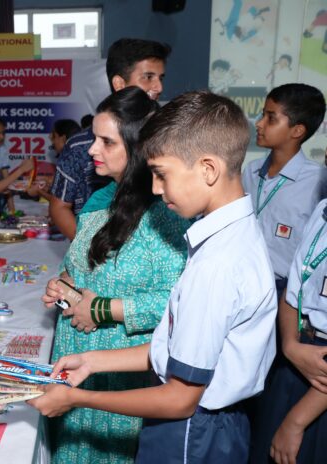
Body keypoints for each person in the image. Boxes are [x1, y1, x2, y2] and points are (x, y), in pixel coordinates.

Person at [29, 91, 278, 463]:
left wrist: (78, 397)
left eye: (162, 174)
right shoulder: (229, 237)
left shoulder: (218, 265)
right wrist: (95, 361)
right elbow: (175, 351)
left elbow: (180, 398)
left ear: (208, 169)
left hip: (193, 431)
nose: (157, 188)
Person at [39, 87, 189, 464]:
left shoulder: (167, 214)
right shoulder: (98, 199)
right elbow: (77, 267)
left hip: (120, 368)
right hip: (73, 358)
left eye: (106, 141)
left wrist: (104, 309)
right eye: (94, 139)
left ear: (138, 147)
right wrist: (65, 287)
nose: (92, 150)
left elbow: (178, 307)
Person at [49, 38, 171, 240]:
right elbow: (59, 207)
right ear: (119, 84)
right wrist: (89, 252)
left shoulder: (169, 139)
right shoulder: (80, 146)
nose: (158, 87)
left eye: (161, 77)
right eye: (148, 77)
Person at [249, 198, 327, 464]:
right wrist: (290, 345)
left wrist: (296, 421)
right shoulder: (322, 210)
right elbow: (293, 290)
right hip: (295, 353)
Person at [242, 83, 327, 295]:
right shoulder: (251, 172)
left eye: (271, 118)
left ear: (297, 130)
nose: (259, 124)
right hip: (243, 283)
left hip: (286, 291)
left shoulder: (318, 180)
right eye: (262, 115)